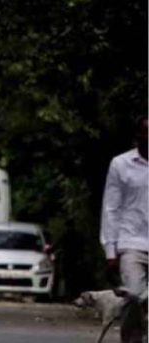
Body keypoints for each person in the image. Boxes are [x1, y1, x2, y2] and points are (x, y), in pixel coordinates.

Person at [100, 116, 148, 342]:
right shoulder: (120, 164)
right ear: (137, 138)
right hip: (132, 242)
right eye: (145, 134)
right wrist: (111, 251)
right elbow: (111, 208)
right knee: (135, 296)